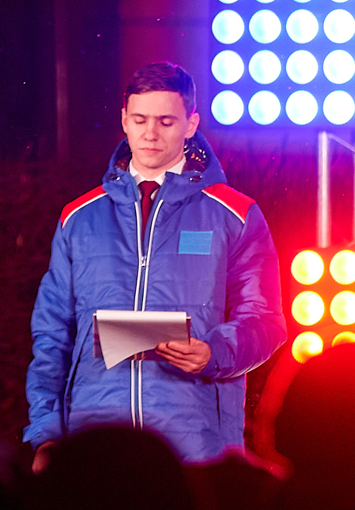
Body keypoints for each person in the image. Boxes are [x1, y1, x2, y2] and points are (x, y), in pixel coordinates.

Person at [25, 62, 285, 464]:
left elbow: (266, 321)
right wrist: (47, 436)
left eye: (165, 121)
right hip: (95, 442)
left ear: (190, 124)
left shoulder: (234, 214)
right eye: (140, 119)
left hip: (197, 446)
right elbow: (52, 334)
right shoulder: (79, 217)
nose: (150, 133)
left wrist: (214, 352)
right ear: (124, 120)